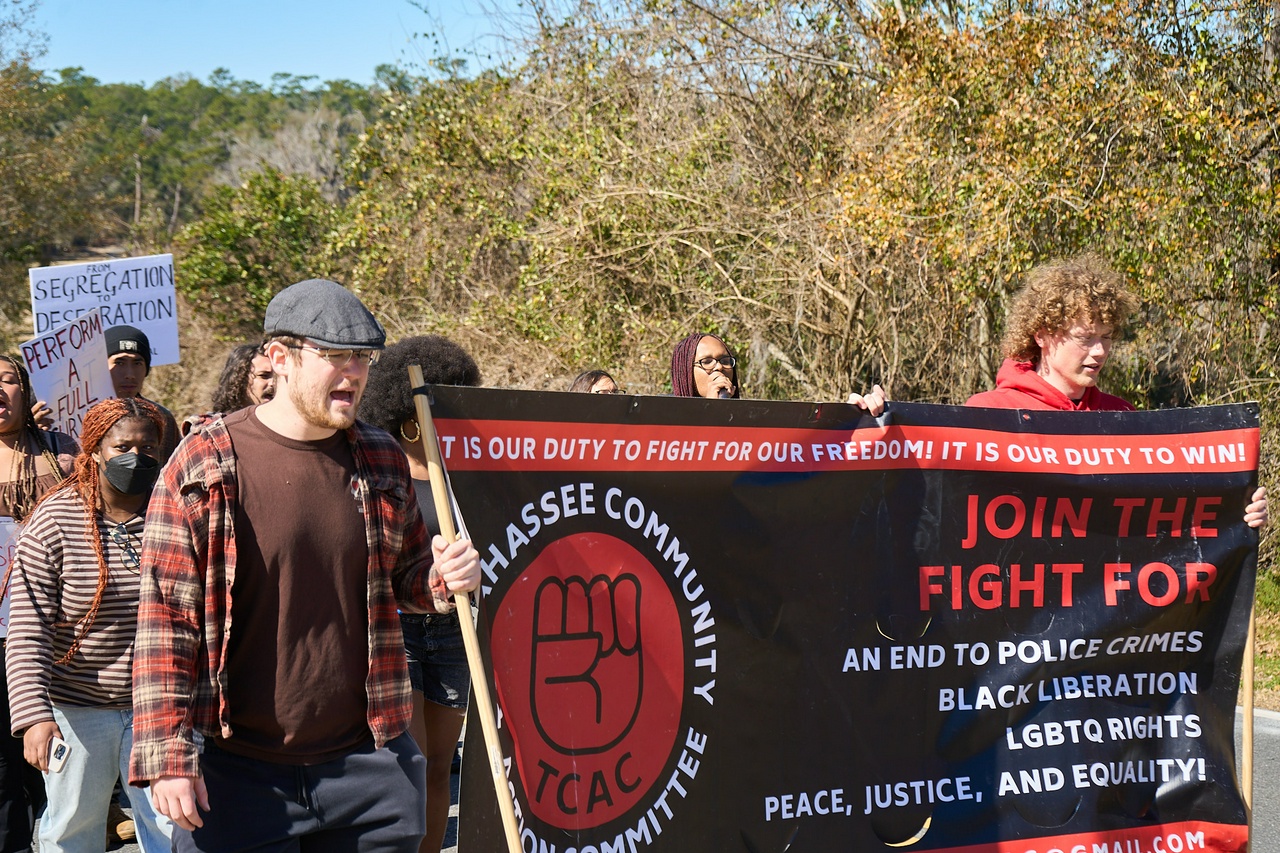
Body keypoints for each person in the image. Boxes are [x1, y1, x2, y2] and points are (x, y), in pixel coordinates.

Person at [129, 279, 483, 852]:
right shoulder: (204, 462)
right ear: (280, 357)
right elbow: (167, 620)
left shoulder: (381, 457)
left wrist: (448, 579)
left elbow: (409, 578)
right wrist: (167, 755)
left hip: (370, 768)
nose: (354, 373)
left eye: (362, 357)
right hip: (237, 774)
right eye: (334, 355)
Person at [966, 254, 1266, 526]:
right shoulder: (988, 413)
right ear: (1042, 336)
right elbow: (957, 513)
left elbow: (1160, 511)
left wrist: (1234, 513)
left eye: (1107, 337)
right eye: (1085, 338)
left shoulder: (1121, 416)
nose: (1099, 351)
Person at [5, 397, 173, 853]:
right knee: (72, 832)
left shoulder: (175, 512)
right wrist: (34, 716)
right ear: (95, 450)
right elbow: (28, 629)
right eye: (122, 447)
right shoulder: (54, 521)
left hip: (159, 707)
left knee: (172, 830)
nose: (136, 457)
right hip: (76, 710)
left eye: (148, 447)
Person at [359, 335, 480, 853]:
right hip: (398, 627)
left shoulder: (465, 473)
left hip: (455, 630)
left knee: (438, 768)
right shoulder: (379, 470)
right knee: (409, 762)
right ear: (407, 413)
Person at [0, 355, 77, 853]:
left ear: (26, 393)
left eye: (8, 380)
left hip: (54, 627)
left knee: (55, 747)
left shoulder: (59, 452)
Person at [105, 325, 180, 460]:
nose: (130, 374)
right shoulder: (78, 416)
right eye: (119, 363)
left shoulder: (161, 418)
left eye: (137, 363)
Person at [670, 332, 743, 398]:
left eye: (725, 361)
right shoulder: (665, 408)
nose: (719, 367)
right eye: (707, 362)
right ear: (685, 371)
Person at [210, 344, 276, 412]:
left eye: (278, 377)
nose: (273, 383)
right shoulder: (218, 419)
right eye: (264, 376)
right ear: (240, 380)